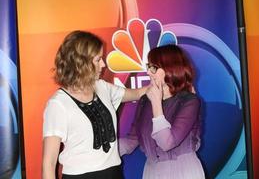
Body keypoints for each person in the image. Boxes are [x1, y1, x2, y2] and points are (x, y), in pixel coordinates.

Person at [42, 30, 147, 179]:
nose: (103, 65)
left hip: (114, 173)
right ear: (81, 63)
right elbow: (49, 163)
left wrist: (161, 82)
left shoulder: (102, 87)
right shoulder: (58, 104)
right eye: (98, 60)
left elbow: (137, 93)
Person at [119, 45, 205, 179]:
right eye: (148, 67)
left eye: (153, 68)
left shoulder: (189, 101)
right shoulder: (144, 101)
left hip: (183, 172)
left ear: (170, 69)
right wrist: (103, 150)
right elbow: (131, 141)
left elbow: (167, 143)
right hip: (152, 172)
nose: (148, 72)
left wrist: (156, 103)